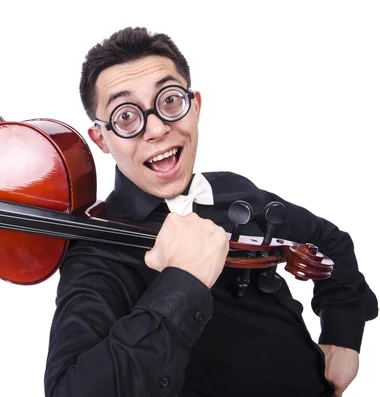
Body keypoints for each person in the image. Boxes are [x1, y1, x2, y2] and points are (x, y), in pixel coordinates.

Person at [43, 27, 378, 397]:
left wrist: (343, 335)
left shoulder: (234, 191)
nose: (155, 128)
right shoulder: (97, 252)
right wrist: (182, 282)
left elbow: (328, 241)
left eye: (169, 100)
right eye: (125, 116)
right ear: (102, 139)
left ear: (195, 106)